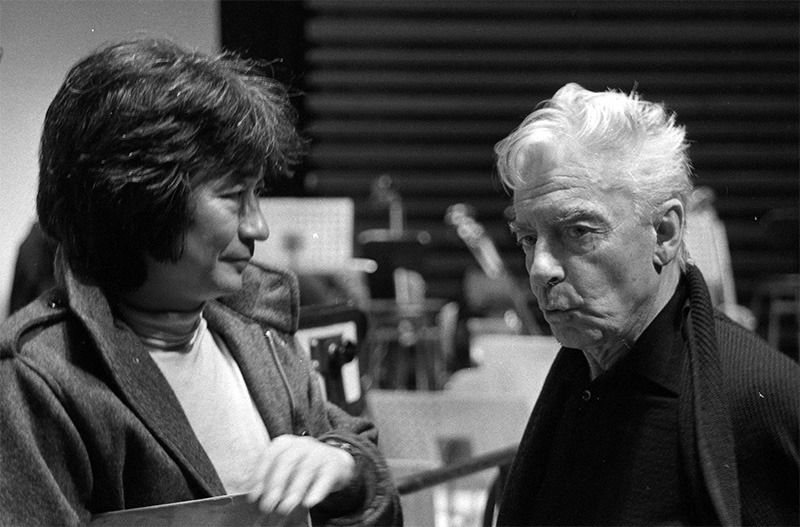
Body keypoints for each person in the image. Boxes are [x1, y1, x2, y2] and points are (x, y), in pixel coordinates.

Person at [0, 38, 401, 526]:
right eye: (233, 197)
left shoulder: (258, 332)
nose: (258, 227)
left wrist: (345, 470)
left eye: (256, 194)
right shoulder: (40, 378)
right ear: (141, 203)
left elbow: (369, 470)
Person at [493, 83, 799, 526]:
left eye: (578, 232)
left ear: (665, 233)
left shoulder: (760, 398)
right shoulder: (580, 375)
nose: (540, 268)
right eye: (528, 238)